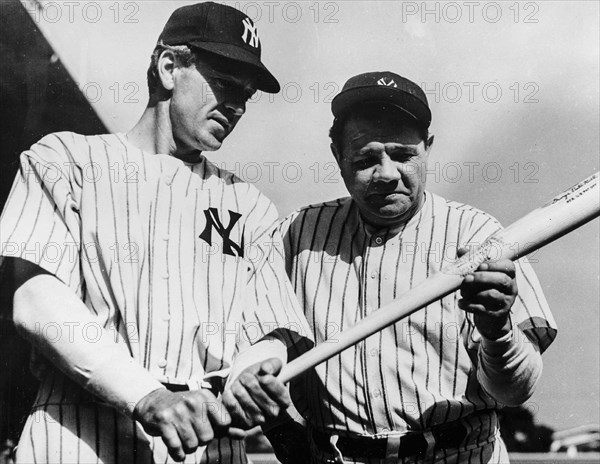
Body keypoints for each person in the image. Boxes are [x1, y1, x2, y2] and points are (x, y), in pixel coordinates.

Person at [0, 2, 311, 463]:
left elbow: (272, 330)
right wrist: (148, 395)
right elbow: (35, 299)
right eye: (226, 85)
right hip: (80, 431)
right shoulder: (66, 159)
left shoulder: (251, 205)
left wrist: (252, 371)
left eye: (247, 94)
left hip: (209, 439)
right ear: (168, 67)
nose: (239, 106)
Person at [275, 71, 557, 463]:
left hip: (459, 454)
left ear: (428, 148)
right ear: (337, 156)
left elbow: (516, 391)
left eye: (404, 155)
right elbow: (247, 347)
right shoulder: (296, 235)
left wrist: (498, 329)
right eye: (366, 158)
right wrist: (278, 429)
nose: (387, 174)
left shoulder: (478, 235)